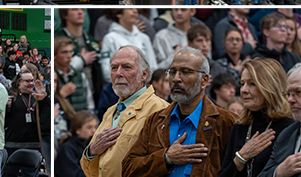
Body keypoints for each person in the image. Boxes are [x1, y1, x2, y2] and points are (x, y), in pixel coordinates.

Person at [122, 47, 237, 177]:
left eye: (185, 72)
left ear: (204, 80)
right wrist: (165, 158)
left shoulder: (226, 122)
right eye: (172, 72)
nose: (176, 78)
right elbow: (128, 169)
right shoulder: (155, 120)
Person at [81, 46, 169, 177]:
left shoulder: (161, 110)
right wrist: (92, 151)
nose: (118, 73)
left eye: (127, 67)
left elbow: (162, 165)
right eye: (114, 68)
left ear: (144, 74)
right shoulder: (110, 111)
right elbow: (89, 168)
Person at [219, 58, 294, 177]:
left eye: (252, 83)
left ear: (270, 87)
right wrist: (241, 157)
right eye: (242, 83)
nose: (243, 90)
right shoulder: (239, 127)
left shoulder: (289, 128)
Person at [257, 63, 301, 177]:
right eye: (289, 94)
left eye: (298, 92)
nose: (290, 99)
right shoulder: (287, 134)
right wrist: (279, 172)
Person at [5, 69, 49, 175]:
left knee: (30, 174)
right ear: (19, 82)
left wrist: (44, 99)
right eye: (27, 81)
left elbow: (46, 118)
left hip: (33, 144)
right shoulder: (10, 96)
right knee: (10, 173)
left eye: (32, 80)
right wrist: (5, 106)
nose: (31, 84)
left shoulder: (37, 97)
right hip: (12, 143)